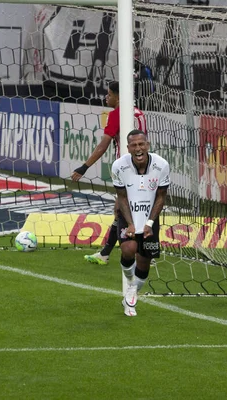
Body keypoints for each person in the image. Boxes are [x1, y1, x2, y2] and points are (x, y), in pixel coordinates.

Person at [70, 81, 147, 265]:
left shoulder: (117, 114)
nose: (107, 97)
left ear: (118, 96)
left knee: (124, 210)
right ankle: (105, 253)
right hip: (144, 167)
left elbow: (103, 145)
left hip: (127, 169)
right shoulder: (139, 113)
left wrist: (84, 167)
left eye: (109, 94)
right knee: (124, 209)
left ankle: (142, 253)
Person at [112, 129, 170, 317]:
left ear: (148, 145)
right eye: (134, 145)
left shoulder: (161, 165)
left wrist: (150, 222)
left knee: (144, 262)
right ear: (128, 148)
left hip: (149, 217)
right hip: (127, 213)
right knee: (128, 249)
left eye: (141, 144)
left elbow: (161, 197)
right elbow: (121, 197)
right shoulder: (119, 166)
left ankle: (132, 291)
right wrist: (129, 224)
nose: (138, 148)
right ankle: (130, 285)